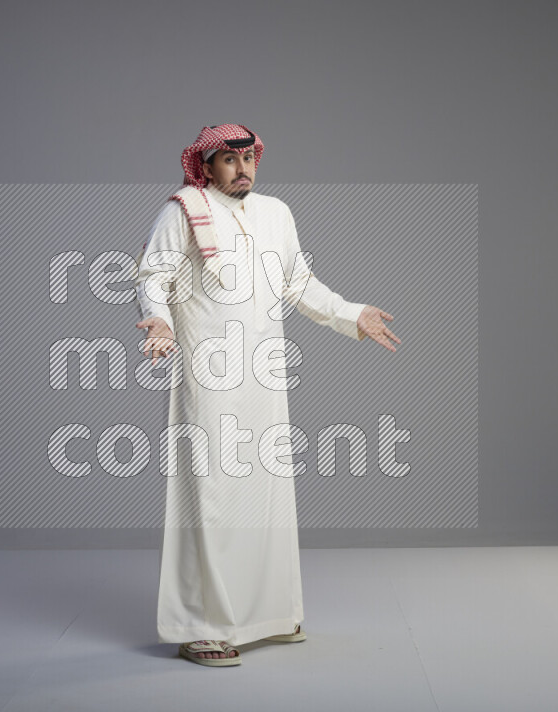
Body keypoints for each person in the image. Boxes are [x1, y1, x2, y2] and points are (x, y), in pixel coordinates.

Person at [134, 124, 400, 667]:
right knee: (210, 493)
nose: (242, 168)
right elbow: (153, 277)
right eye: (228, 160)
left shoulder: (276, 213)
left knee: (267, 492)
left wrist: (353, 314)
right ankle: (203, 625)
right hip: (209, 374)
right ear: (205, 167)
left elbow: (299, 285)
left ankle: (271, 614)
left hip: (265, 373)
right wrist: (158, 321)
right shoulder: (182, 210)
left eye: (248, 157)